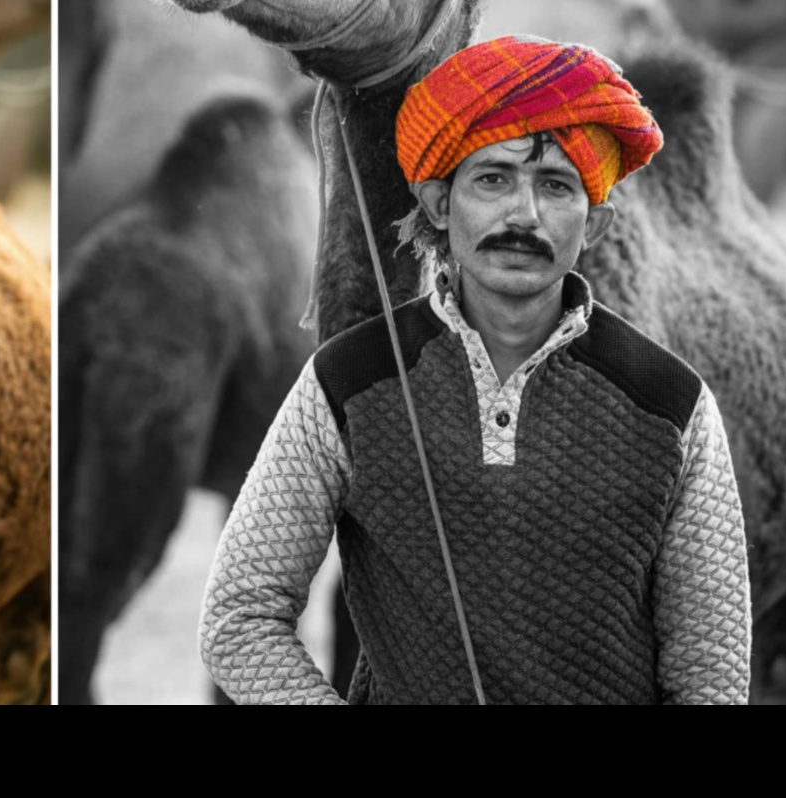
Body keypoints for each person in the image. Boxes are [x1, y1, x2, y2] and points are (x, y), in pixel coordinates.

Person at [199, 36, 751, 704]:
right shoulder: (348, 382)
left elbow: (711, 670)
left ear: (595, 224)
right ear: (439, 204)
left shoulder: (670, 402)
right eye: (492, 179)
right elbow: (240, 615)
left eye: (555, 186)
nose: (523, 215)